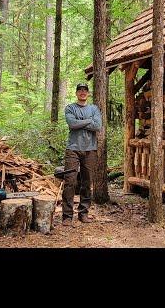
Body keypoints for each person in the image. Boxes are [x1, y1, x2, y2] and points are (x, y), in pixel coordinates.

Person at [61, 82, 102, 226]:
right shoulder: (70, 107)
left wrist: (80, 122)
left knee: (86, 182)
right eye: (80, 90)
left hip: (90, 149)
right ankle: (67, 216)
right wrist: (89, 120)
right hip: (73, 149)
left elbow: (97, 126)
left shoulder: (94, 108)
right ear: (76, 93)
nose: (82, 92)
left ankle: (83, 214)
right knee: (70, 182)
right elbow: (72, 125)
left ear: (88, 93)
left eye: (85, 90)